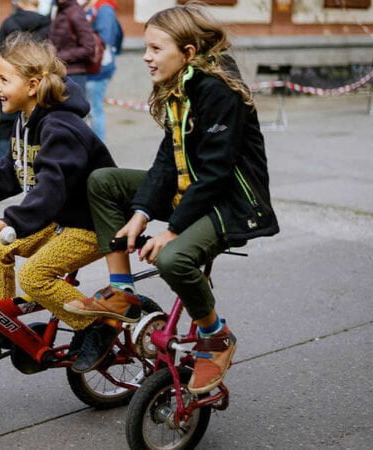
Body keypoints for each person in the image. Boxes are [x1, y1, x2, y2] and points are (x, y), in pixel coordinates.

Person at [65, 5, 279, 385]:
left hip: (230, 202)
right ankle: (122, 293)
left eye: (155, 49)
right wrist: (142, 213)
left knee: (172, 259)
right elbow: (168, 158)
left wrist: (172, 231)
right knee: (102, 180)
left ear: (189, 52)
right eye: (145, 47)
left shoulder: (217, 90)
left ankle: (216, 336)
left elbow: (215, 174)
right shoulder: (181, 84)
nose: (146, 57)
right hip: (190, 187)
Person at [0, 33, 116, 366]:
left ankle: (98, 324)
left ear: (33, 85)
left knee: (36, 277)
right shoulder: (25, 122)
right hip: (59, 216)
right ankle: (7, 325)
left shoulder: (61, 127)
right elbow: (11, 171)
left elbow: (51, 187)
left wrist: (13, 221)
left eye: (4, 79)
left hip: (92, 222)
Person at [0, 0, 51, 162]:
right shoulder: (47, 24)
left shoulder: (9, 23)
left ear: (20, 3)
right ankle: (32, 160)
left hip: (8, 80)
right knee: (34, 120)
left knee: (6, 122)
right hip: (34, 81)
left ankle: (1, 161)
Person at [84, 0, 122, 143]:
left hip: (99, 69)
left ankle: (99, 147)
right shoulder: (93, 7)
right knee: (92, 109)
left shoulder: (104, 8)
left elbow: (107, 37)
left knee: (95, 110)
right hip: (93, 68)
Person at [49, 0, 96, 95]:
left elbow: (89, 48)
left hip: (74, 74)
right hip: (59, 72)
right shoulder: (60, 10)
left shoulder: (75, 13)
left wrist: (58, 56)